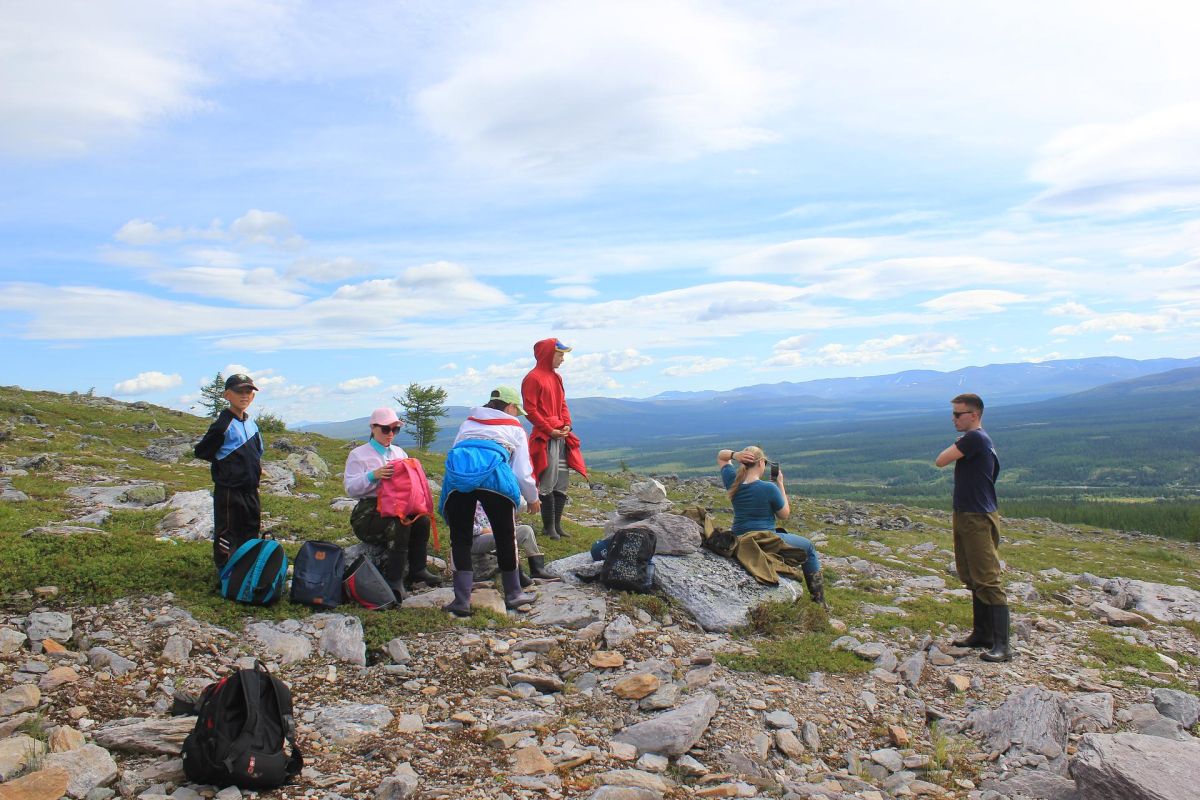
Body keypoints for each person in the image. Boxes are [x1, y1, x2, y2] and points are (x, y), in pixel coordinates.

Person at [440, 387, 541, 616]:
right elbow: (522, 472)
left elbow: (456, 449)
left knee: (460, 539)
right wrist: (533, 498)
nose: (518, 416)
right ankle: (514, 594)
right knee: (506, 534)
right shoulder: (514, 428)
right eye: (518, 411)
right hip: (494, 477)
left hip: (458, 479)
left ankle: (461, 601)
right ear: (510, 407)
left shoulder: (469, 422)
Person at [936, 393, 1010, 662]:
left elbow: (941, 460)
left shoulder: (975, 438)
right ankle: (982, 633)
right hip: (969, 513)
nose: (954, 419)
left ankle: (1002, 645)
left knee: (987, 577)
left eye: (958, 414)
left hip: (977, 516)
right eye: (953, 414)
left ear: (974, 415)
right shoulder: (979, 440)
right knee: (972, 574)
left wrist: (958, 443)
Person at [343, 408, 441, 604]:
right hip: (368, 512)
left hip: (397, 505)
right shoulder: (359, 454)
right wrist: (373, 476)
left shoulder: (399, 452)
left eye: (395, 429)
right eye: (386, 429)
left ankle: (417, 570)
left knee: (420, 520)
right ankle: (394, 580)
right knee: (400, 523)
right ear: (373, 427)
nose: (390, 434)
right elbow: (350, 489)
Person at [717, 446, 827, 606]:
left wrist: (735, 455)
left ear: (742, 462)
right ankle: (819, 601)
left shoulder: (733, 482)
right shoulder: (769, 488)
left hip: (740, 539)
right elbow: (784, 515)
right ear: (761, 463)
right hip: (766, 540)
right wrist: (780, 484)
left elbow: (721, 456)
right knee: (808, 547)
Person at [194, 374, 264, 571]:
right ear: (227, 395)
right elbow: (202, 451)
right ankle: (226, 571)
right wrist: (227, 467)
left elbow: (256, 452)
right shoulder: (222, 425)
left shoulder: (251, 424)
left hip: (251, 488)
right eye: (239, 391)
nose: (244, 396)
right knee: (227, 531)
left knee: (251, 526)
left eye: (248, 391)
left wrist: (257, 467)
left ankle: (247, 568)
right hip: (229, 490)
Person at [521, 338, 587, 540]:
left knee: (561, 481)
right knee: (548, 480)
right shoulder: (532, 378)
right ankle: (548, 527)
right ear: (548, 354)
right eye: (560, 355)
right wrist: (549, 429)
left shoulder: (556, 378)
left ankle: (557, 526)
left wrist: (567, 423)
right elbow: (530, 410)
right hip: (546, 436)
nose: (562, 359)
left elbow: (562, 404)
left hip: (560, 434)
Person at [471, 502, 556, 585]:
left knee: (526, 530)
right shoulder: (463, 497)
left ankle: (537, 570)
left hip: (489, 533)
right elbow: (466, 528)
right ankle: (518, 577)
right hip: (472, 540)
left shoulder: (483, 498)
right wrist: (489, 530)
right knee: (507, 536)